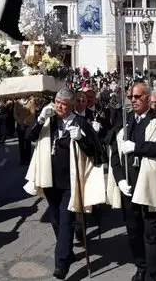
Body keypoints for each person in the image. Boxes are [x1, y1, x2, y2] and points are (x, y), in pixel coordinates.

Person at [24, 89, 106, 280]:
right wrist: (39, 120)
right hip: (50, 180)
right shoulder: (50, 120)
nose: (58, 106)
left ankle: (61, 264)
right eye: (56, 102)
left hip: (70, 182)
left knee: (66, 221)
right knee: (56, 221)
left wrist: (81, 138)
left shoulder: (80, 122)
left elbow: (95, 150)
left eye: (63, 104)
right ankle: (67, 252)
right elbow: (30, 137)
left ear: (71, 105)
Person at [106, 83, 156, 281]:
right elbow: (114, 155)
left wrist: (137, 147)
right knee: (133, 232)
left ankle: (152, 275)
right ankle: (141, 267)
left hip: (148, 186)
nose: (133, 100)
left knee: (151, 234)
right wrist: (119, 179)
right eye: (131, 97)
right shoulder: (125, 123)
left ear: (148, 98)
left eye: (137, 96)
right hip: (129, 186)